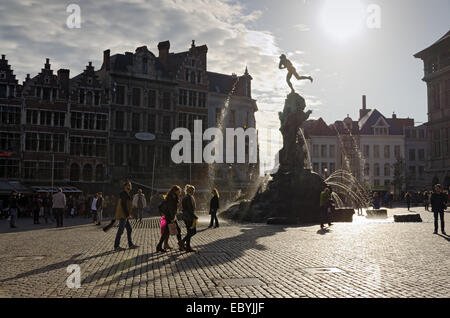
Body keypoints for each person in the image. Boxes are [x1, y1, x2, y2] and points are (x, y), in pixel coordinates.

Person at [156, 185, 183, 253]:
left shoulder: (172, 196)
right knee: (177, 230)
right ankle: (181, 245)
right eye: (178, 191)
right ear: (175, 191)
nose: (180, 192)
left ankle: (159, 246)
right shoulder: (172, 197)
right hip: (170, 217)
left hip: (169, 216)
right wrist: (172, 217)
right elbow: (171, 208)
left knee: (167, 232)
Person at [114, 181, 139, 251]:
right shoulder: (123, 194)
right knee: (120, 230)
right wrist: (127, 215)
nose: (130, 186)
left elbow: (127, 204)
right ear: (125, 186)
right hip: (123, 215)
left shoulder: (126, 193)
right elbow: (123, 205)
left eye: (130, 185)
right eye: (128, 185)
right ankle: (116, 246)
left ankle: (130, 244)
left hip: (124, 215)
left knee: (129, 229)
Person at [181, 185, 199, 253]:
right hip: (188, 217)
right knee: (193, 231)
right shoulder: (188, 197)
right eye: (193, 190)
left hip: (187, 216)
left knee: (189, 232)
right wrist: (194, 216)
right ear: (190, 191)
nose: (194, 192)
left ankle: (187, 246)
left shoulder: (187, 197)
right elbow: (189, 209)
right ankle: (182, 242)